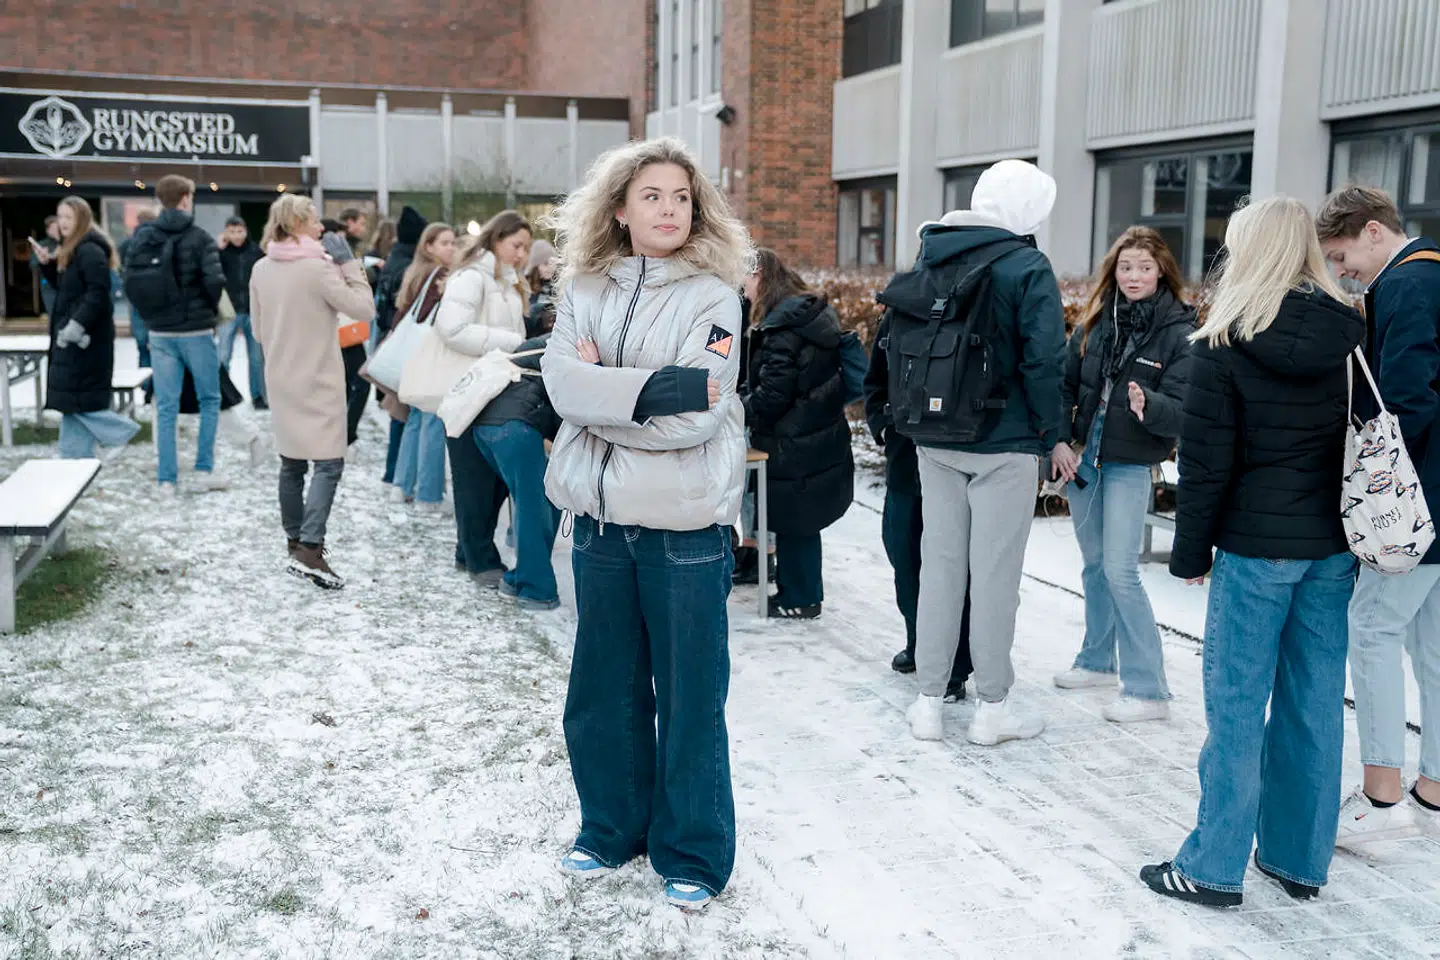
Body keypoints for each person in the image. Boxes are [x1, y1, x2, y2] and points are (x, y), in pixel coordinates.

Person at [541, 136, 751, 912]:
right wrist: (631, 391)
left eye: (682, 197)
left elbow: (695, 414)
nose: (669, 209)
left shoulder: (712, 295)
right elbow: (559, 384)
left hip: (684, 533)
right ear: (620, 209)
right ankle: (608, 829)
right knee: (602, 692)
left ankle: (692, 851)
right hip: (599, 526)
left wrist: (601, 394)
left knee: (691, 696)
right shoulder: (584, 287)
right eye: (653, 196)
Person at [1141, 197, 1365, 907]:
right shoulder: (1347, 336)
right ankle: (1298, 858)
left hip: (1254, 549)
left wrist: (1189, 555)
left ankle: (1211, 867)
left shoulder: (1225, 342)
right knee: (1315, 704)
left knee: (1237, 709)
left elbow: (1206, 465)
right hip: (1331, 548)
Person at [901, 160, 1065, 746]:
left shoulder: (932, 254)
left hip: (935, 436)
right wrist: (1055, 435)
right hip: (1007, 441)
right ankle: (992, 710)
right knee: (994, 578)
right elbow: (1043, 360)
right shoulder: (1027, 266)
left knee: (939, 572)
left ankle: (928, 702)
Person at [1317, 185, 1440, 844]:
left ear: (1370, 231)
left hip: (1418, 506)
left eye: (1341, 255)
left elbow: (1407, 404)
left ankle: (1381, 798)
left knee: (1370, 627)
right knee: (1433, 645)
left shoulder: (1406, 288)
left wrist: (1374, 468)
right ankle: (1431, 788)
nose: (1343, 271)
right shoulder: (1434, 273)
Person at [1050, 226, 1195, 723]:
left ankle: (1149, 690)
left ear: (1162, 273)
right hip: (1083, 460)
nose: (1134, 276)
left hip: (1131, 462)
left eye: (1145, 267)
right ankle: (1096, 662)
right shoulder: (1094, 322)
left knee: (1120, 571)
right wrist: (1060, 441)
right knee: (1093, 566)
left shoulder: (1178, 330)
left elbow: (1181, 411)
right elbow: (1065, 386)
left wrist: (1146, 404)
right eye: (1126, 266)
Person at [249, 195, 374, 589]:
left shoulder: (260, 268)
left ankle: (296, 542)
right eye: (315, 222)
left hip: (281, 375)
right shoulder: (319, 269)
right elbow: (364, 308)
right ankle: (310, 548)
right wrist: (348, 262)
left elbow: (256, 330)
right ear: (298, 224)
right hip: (318, 376)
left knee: (292, 462)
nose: (322, 229)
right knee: (328, 462)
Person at [864, 311, 974, 701]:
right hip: (905, 461)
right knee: (904, 556)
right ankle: (920, 642)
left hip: (956, 460)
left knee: (949, 566)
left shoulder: (972, 310)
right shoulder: (899, 312)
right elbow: (875, 380)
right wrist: (882, 422)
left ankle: (953, 664)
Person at [739, 248, 854, 619]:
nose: (743, 292)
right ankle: (799, 591)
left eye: (745, 282)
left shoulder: (781, 328)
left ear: (759, 276)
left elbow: (774, 392)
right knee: (802, 519)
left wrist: (739, 409)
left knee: (794, 520)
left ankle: (799, 598)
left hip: (793, 437)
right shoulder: (806, 314)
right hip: (816, 430)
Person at [431, 210, 531, 582]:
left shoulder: (505, 281)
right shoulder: (473, 277)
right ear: (495, 239)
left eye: (524, 247)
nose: (521, 253)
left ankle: (469, 550)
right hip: (468, 389)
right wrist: (512, 344)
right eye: (515, 245)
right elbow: (451, 328)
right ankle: (480, 558)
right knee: (475, 481)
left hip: (493, 387)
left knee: (492, 479)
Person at [124, 174, 227, 495]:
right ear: (185, 199)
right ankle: (202, 470)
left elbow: (130, 281)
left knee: (165, 406)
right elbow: (214, 282)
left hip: (160, 332)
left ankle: (166, 479)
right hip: (196, 330)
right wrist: (208, 311)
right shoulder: (200, 238)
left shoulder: (143, 237)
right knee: (209, 399)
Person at [34, 197, 140, 459]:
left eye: (68, 217)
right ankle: (74, 463)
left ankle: (120, 432)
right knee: (71, 402)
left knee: (79, 401)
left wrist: (76, 326)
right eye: (60, 217)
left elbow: (97, 294)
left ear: (81, 219)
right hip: (74, 338)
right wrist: (48, 266)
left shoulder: (89, 250)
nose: (63, 222)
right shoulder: (72, 248)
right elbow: (68, 290)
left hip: (85, 341)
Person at [471, 330, 561, 610]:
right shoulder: (572, 346)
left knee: (542, 501)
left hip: (487, 422)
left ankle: (521, 577)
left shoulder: (544, 342)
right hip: (516, 428)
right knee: (534, 505)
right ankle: (536, 588)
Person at [390, 222, 458, 509]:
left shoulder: (416, 271)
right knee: (430, 419)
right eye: (445, 243)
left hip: (410, 355)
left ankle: (403, 485)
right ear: (428, 245)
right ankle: (427, 494)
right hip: (429, 355)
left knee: (416, 420)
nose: (451, 248)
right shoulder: (440, 275)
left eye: (453, 242)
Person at [375, 207, 428, 485]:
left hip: (393, 338)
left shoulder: (395, 258)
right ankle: (397, 473)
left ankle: (393, 471)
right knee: (403, 414)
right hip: (407, 346)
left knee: (399, 414)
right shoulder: (412, 266)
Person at [217, 216, 267, 409]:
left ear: (245, 231)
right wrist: (218, 250)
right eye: (232, 231)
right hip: (227, 310)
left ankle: (258, 396)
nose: (236, 236)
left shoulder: (256, 252)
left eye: (239, 231)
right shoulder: (220, 253)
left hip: (253, 310)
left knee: (256, 358)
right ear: (226, 233)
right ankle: (224, 396)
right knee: (223, 356)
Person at [122, 207, 156, 376]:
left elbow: (122, 268)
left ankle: (145, 384)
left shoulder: (128, 243)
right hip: (156, 295)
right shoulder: (160, 240)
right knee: (159, 346)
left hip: (135, 294)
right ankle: (155, 386)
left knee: (142, 345)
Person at [525, 237, 558, 338]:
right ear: (535, 266)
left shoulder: (559, 285)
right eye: (545, 264)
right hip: (532, 338)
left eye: (553, 263)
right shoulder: (526, 287)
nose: (550, 268)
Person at [30, 215, 61, 318]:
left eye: (57, 228)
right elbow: (33, 265)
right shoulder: (41, 245)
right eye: (52, 228)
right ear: (47, 230)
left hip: (65, 283)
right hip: (47, 284)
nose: (55, 231)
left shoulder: (66, 244)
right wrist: (44, 261)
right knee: (53, 312)